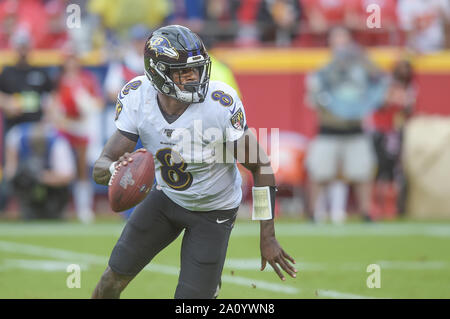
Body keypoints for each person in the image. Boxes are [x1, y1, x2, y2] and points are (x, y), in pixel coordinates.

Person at [91, 25, 297, 299]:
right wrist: (116, 169)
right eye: (183, 71)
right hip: (166, 199)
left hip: (214, 210)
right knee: (110, 281)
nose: (194, 77)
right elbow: (100, 166)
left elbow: (261, 167)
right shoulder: (138, 97)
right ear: (158, 72)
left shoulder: (219, 103)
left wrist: (267, 235)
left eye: (197, 69)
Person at [305, 26, 388, 223]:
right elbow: (313, 99)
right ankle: (313, 212)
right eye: (337, 39)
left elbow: (380, 82)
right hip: (328, 129)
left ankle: (366, 212)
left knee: (362, 172)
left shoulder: (361, 66)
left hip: (354, 128)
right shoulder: (322, 69)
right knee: (318, 171)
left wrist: (365, 61)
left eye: (344, 39)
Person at [49, 46, 104, 223]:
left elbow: (98, 103)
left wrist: (87, 104)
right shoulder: (59, 80)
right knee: (63, 168)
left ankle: (83, 208)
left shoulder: (87, 79)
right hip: (64, 129)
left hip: (81, 128)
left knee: (82, 169)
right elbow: (54, 105)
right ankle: (61, 206)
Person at [3, 121, 76, 220]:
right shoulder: (15, 136)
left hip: (51, 185)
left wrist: (41, 177)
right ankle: (25, 210)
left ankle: (57, 211)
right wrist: (23, 175)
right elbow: (10, 170)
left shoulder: (59, 143)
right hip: (27, 181)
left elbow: (67, 176)